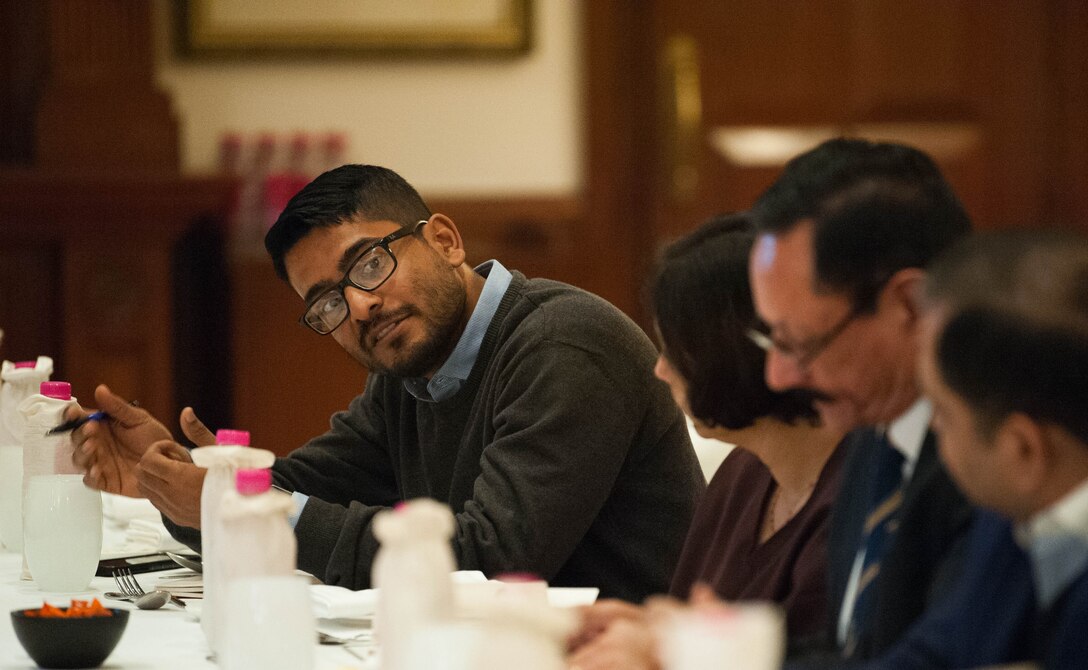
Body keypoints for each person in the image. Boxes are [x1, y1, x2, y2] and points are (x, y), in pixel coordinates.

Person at [70, 164, 704, 600]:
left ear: (445, 241)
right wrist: (179, 480)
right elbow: (301, 487)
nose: (360, 306)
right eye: (328, 302)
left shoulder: (563, 346)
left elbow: (489, 561)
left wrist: (239, 506)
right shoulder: (412, 375)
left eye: (370, 264)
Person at [567, 214, 846, 670]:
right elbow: (701, 628)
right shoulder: (743, 470)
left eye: (675, 348)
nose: (660, 369)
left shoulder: (855, 499)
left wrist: (666, 651)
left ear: (733, 348)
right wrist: (649, 629)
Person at [747, 138, 976, 661]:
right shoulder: (876, 429)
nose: (777, 376)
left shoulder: (994, 456)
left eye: (800, 343)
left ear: (910, 306)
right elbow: (852, 654)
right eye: (772, 338)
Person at [859, 228, 1088, 668]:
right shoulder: (1010, 519)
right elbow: (939, 651)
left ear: (1023, 450)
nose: (931, 427)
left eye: (941, 412)